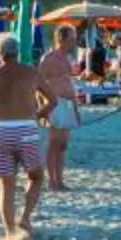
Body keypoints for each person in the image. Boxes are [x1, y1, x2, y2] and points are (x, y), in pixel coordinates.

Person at [0, 31, 54, 240]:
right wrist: (38, 115)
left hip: (0, 131)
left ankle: (10, 232)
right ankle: (25, 218)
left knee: (6, 185)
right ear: (17, 52)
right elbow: (52, 100)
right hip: (26, 130)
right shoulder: (31, 73)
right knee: (36, 176)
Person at [36, 25, 86, 193]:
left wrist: (76, 106)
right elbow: (39, 82)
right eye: (71, 39)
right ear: (61, 39)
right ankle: (52, 180)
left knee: (63, 144)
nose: (74, 42)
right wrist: (43, 107)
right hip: (54, 102)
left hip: (68, 102)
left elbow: (69, 81)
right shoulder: (49, 58)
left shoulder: (68, 58)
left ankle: (60, 179)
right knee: (54, 142)